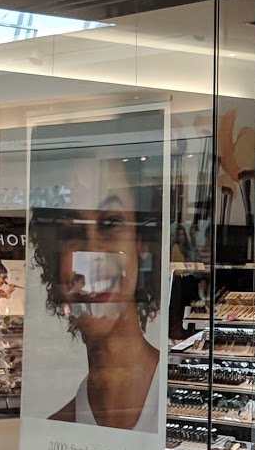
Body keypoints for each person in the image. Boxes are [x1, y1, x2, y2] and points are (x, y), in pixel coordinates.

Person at [29, 122, 162, 432]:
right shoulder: (56, 429)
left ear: (141, 242)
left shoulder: (178, 405)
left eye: (110, 224)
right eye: (71, 232)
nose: (91, 257)